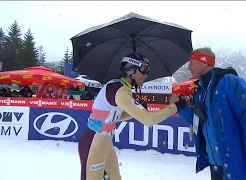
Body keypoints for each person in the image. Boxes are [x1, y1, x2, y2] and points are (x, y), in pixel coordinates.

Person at [78, 52, 186, 180]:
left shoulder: (118, 86)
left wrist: (133, 112)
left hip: (103, 141)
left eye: (148, 71)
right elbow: (148, 120)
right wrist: (176, 106)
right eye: (144, 69)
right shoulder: (121, 90)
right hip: (94, 141)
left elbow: (115, 116)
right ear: (131, 70)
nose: (146, 75)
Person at [176, 47, 246, 180]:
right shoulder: (200, 92)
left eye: (191, 62)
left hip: (238, 166)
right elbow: (197, 120)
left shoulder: (230, 83)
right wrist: (180, 106)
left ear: (204, 62)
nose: (188, 67)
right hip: (215, 166)